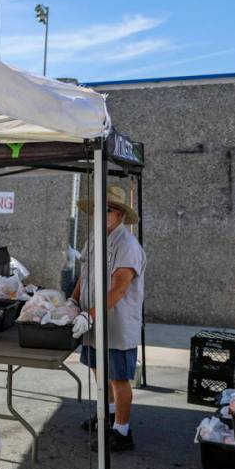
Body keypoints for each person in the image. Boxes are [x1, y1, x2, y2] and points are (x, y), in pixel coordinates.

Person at [72, 186, 146, 452]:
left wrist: (89, 316)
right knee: (97, 369)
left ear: (119, 214)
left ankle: (123, 432)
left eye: (106, 209)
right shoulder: (94, 238)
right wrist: (72, 300)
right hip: (92, 318)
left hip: (116, 322)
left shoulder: (127, 246)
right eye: (97, 209)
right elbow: (84, 273)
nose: (100, 214)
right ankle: (109, 414)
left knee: (119, 377)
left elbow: (119, 289)